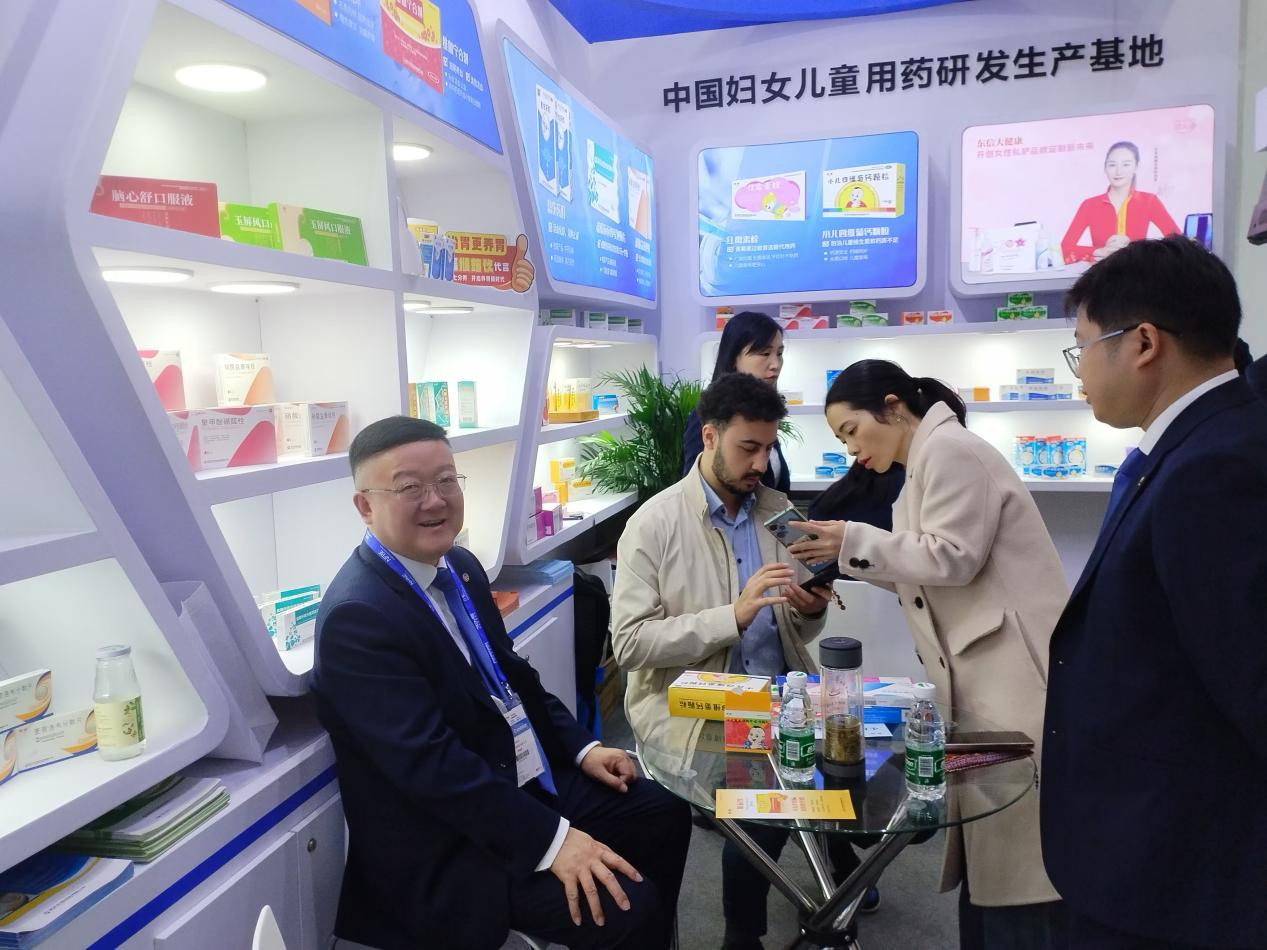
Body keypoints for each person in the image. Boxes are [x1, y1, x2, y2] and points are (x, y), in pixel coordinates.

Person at [312, 417, 690, 950]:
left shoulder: (459, 567)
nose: (435, 500)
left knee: (661, 813)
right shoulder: (358, 617)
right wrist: (554, 841)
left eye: (447, 480)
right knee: (628, 909)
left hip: (514, 779)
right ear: (365, 506)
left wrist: (582, 748)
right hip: (448, 839)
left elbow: (513, 678)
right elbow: (433, 767)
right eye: (409, 487)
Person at [785, 359, 1067, 950]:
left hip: (1012, 672)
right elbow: (925, 572)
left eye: (852, 431)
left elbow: (951, 556)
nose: (851, 450)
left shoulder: (950, 451)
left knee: (1022, 854)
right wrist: (841, 561)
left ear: (892, 406)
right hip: (987, 670)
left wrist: (852, 540)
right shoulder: (924, 462)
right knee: (999, 854)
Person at [1040, 236, 1267, 949]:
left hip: (1177, 869)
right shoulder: (1189, 447)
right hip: (1148, 852)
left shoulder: (1215, 467)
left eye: (1082, 348)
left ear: (1142, 343)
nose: (1080, 373)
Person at [613, 372, 846, 950]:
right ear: (710, 437)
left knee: (858, 769)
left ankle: (835, 886)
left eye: (769, 448)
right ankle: (743, 933)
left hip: (783, 694)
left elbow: (797, 624)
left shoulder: (778, 511)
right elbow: (630, 645)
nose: (761, 464)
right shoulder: (654, 524)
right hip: (697, 706)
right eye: (748, 448)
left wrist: (811, 608)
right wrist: (731, 617)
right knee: (764, 798)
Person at [683, 311, 790, 493]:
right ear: (733, 357)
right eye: (764, 353)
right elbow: (697, 491)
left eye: (779, 353)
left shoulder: (765, 412)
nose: (775, 364)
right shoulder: (710, 414)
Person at [1061, 141, 1180, 265]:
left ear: (1136, 167)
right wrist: (1099, 251)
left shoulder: (1149, 201)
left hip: (1139, 272)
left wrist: (1137, 248)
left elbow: (1178, 242)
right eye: (1112, 165)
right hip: (1102, 273)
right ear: (1105, 168)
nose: (1118, 171)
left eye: (1126, 164)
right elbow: (1064, 249)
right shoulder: (1089, 205)